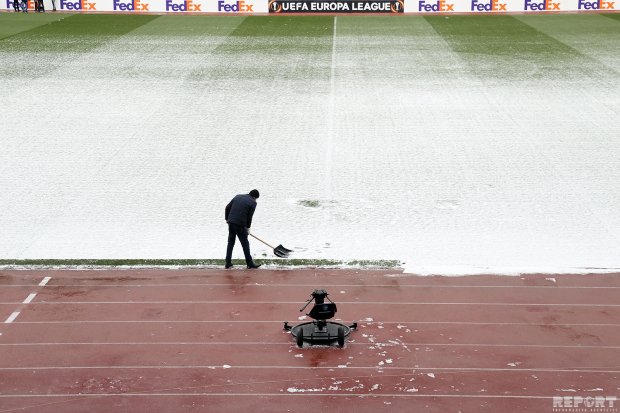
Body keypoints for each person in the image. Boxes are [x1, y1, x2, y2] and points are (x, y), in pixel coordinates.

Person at [224, 189, 261, 269]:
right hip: (240, 225)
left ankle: (228, 263)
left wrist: (227, 219)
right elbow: (249, 217)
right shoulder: (253, 203)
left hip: (231, 222)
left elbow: (227, 208)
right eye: (256, 199)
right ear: (254, 197)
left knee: (230, 242)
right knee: (245, 244)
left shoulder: (237, 196)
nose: (255, 200)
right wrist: (248, 228)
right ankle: (249, 264)